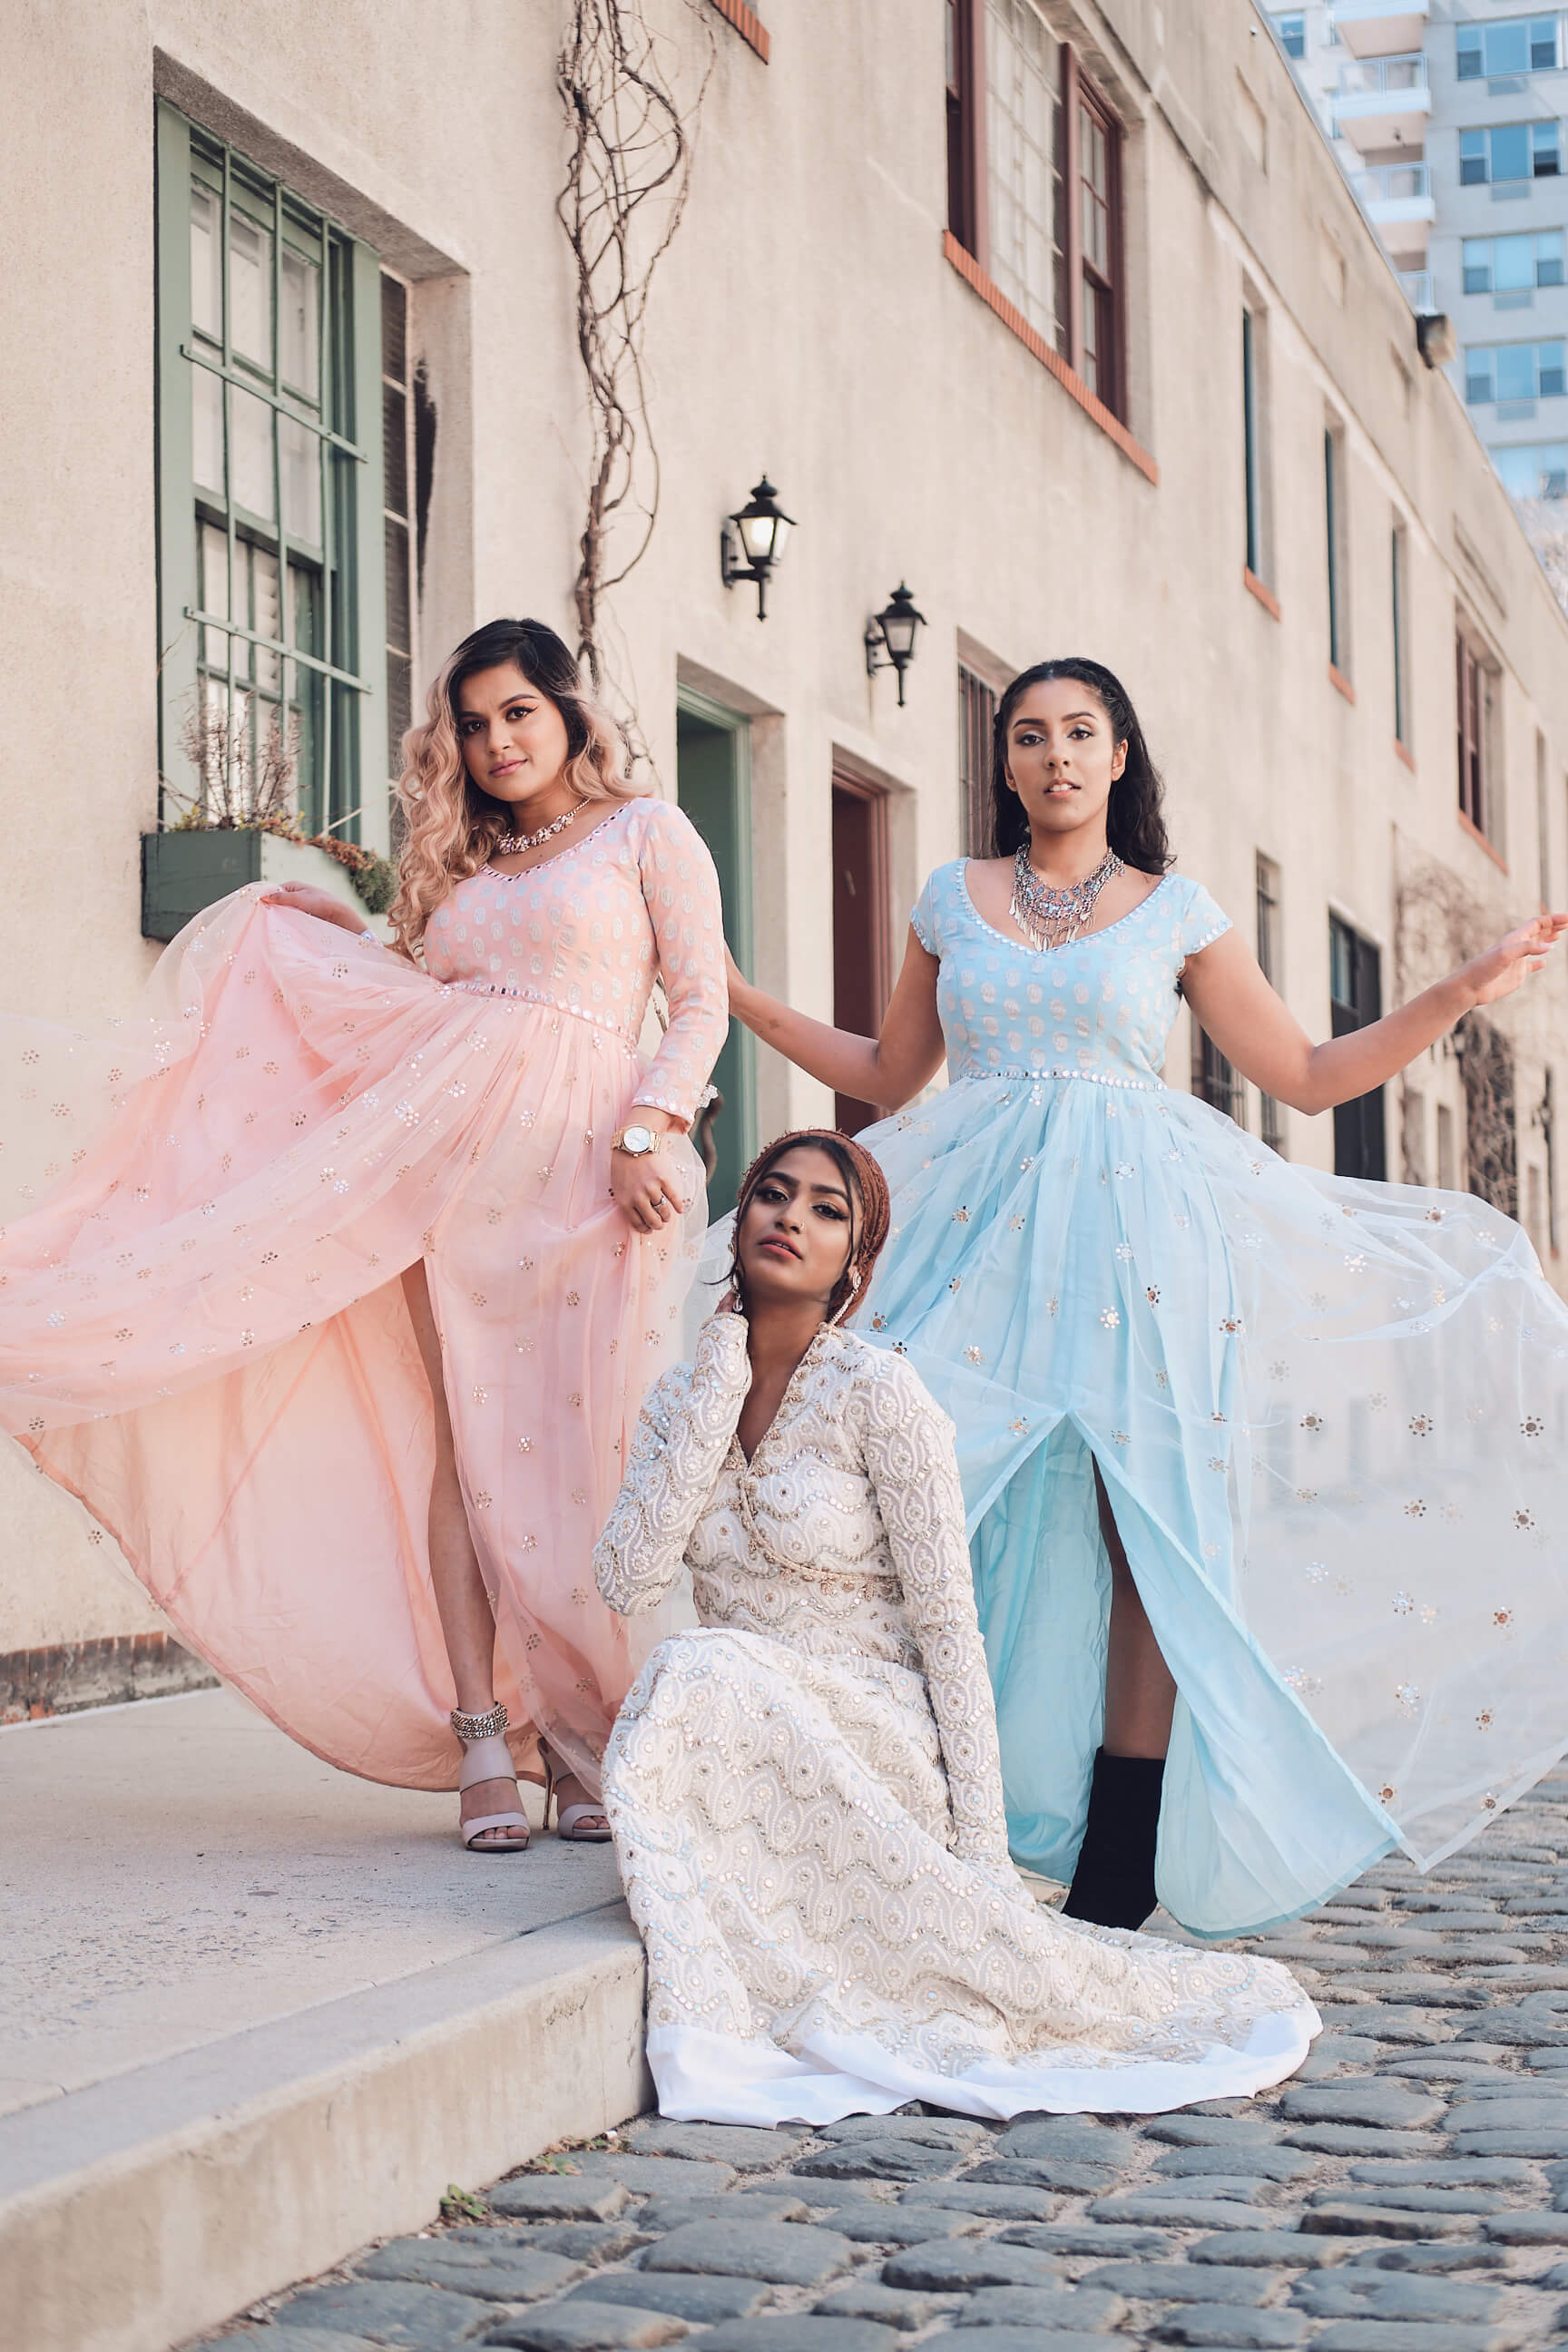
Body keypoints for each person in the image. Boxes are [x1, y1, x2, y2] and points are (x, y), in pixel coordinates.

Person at [720, 658, 1568, 1940]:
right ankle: (932, 1803)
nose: (1055, 754)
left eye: (1080, 733)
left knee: (1144, 1528)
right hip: (969, 1228)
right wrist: (733, 997)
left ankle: (1120, 1850)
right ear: (1002, 763)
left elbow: (1304, 1074)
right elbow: (890, 1075)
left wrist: (1460, 991)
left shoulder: (1178, 911)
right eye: (1028, 736)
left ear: (1121, 756)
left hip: (1141, 1246)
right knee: (931, 1491)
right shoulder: (952, 897)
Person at [0, 618, 727, 1851]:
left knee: (590, 1460)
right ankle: (484, 1742)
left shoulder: (648, 834)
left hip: (600, 1177)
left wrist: (652, 1124)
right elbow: (412, 1011)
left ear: (568, 712)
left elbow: (700, 994)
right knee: (467, 1458)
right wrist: (314, 930)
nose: (496, 742)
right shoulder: (457, 871)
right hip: (446, 1180)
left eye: (518, 714)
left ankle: (588, 1735)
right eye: (473, 722)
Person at [593, 1129, 1318, 2125]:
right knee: (695, 1669)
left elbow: (950, 1630)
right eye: (774, 1194)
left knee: (696, 1672)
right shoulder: (684, 1394)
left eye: (826, 1209)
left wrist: (978, 1857)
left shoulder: (881, 1395)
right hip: (747, 1711)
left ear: (857, 1262)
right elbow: (626, 1579)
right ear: (743, 1219)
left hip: (871, 1724)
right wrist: (717, 1385)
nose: (792, 1217)